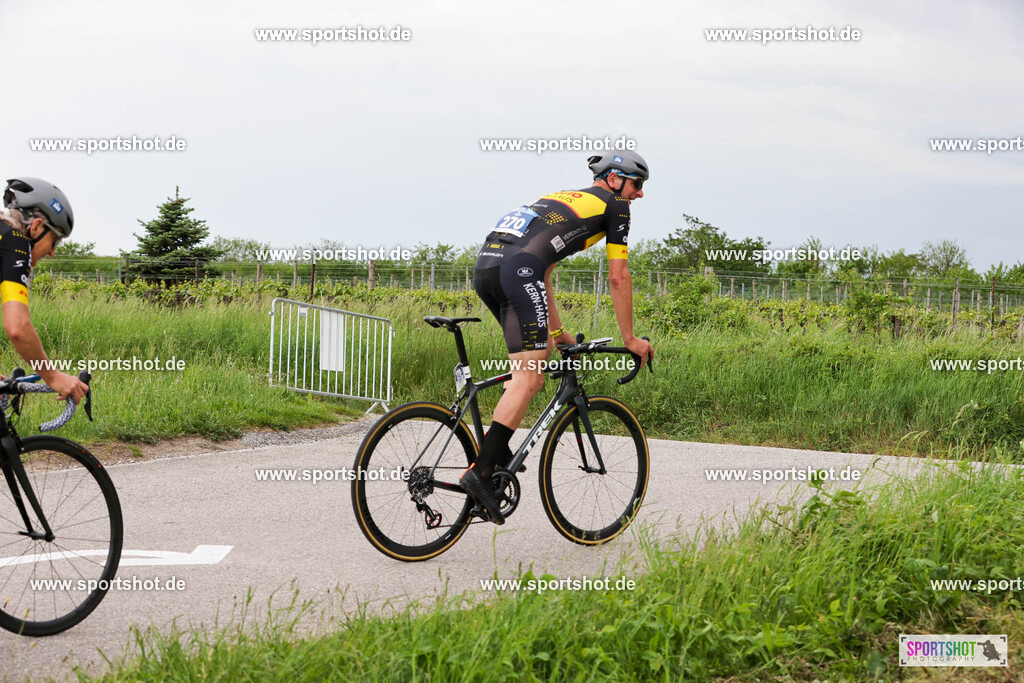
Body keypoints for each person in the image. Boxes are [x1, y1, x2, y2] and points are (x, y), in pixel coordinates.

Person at [462, 152, 655, 523]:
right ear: (614, 179)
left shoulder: (565, 198)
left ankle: (494, 457)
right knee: (530, 377)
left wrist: (557, 332)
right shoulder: (615, 206)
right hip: (516, 272)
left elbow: (544, 269)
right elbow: (619, 276)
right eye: (637, 184)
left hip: (488, 267)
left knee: (534, 361)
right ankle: (480, 474)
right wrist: (630, 339)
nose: (640, 194)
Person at [0, 178, 89, 403]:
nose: (52, 252)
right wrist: (52, 375)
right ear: (37, 226)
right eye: (55, 240)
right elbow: (17, 327)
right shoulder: (14, 240)